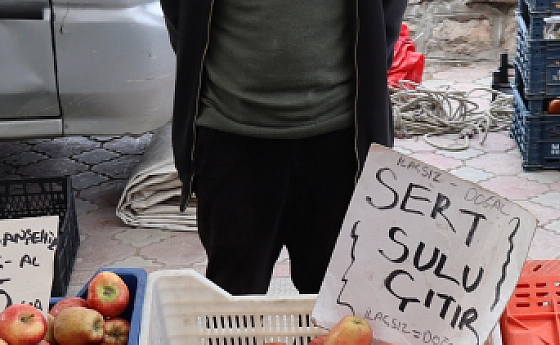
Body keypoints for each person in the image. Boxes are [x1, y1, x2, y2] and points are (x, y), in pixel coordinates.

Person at [161, 0, 407, 296]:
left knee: (336, 299)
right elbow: (181, 15)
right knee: (234, 298)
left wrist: (372, 60)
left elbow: (386, 15)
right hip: (231, 138)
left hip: (342, 141)